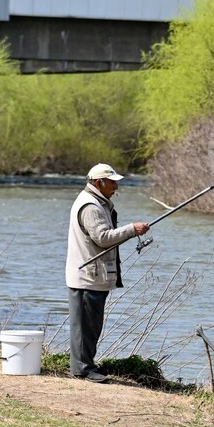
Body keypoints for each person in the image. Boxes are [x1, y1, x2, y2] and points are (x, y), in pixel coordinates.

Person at [66, 163, 149, 382]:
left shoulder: (96, 201)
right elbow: (102, 238)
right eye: (112, 182)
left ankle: (88, 365)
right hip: (87, 278)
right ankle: (82, 369)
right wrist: (132, 230)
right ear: (98, 183)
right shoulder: (91, 206)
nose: (116, 187)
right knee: (84, 327)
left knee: (92, 325)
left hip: (93, 276)